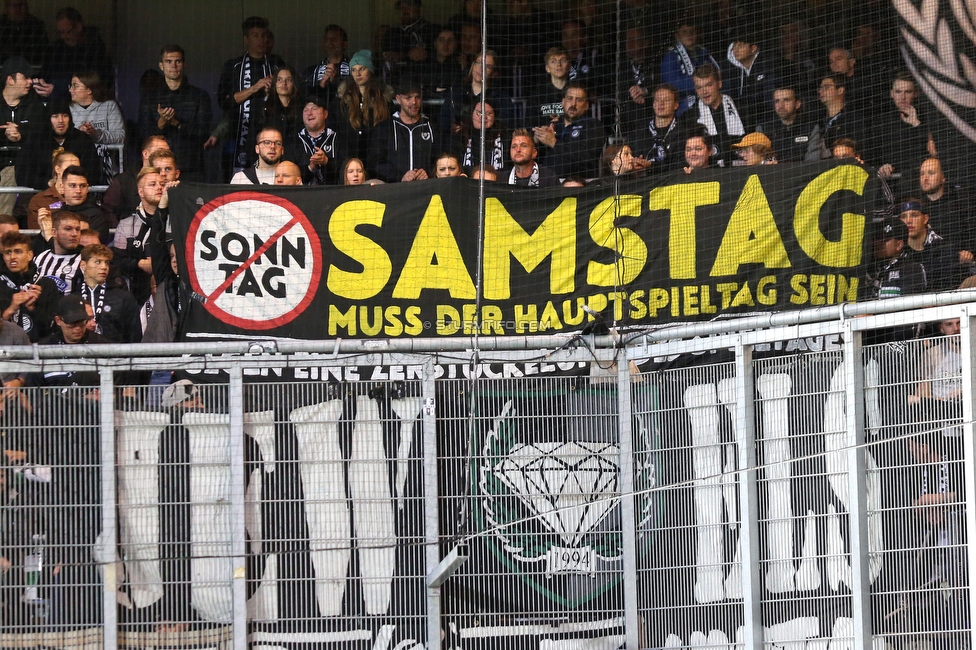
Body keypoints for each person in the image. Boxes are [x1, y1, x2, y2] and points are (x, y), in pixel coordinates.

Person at [138, 45, 212, 182]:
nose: (174, 66)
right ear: (161, 65)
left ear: (184, 64)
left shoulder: (199, 96)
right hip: (157, 170)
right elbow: (143, 135)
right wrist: (161, 122)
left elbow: (204, 133)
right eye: (168, 61)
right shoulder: (150, 97)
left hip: (191, 168)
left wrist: (176, 123)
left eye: (178, 61)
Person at [218, 16, 280, 173]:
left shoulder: (277, 64)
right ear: (246, 39)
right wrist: (254, 88)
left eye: (264, 35)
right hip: (237, 138)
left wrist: (272, 93)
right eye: (255, 35)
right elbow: (223, 102)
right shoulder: (233, 66)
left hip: (269, 137)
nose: (261, 40)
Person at [16, 98, 99, 190]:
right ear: (48, 118)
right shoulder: (35, 140)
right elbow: (21, 175)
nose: (61, 120)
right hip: (42, 194)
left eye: (65, 116)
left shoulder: (83, 139)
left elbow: (94, 173)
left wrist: (71, 183)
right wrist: (48, 183)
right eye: (55, 116)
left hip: (77, 194)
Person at [873, 72, 933, 193]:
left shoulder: (927, 117)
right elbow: (874, 155)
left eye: (908, 92)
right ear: (892, 94)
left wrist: (916, 123)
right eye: (898, 92)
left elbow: (930, 150)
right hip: (890, 184)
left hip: (920, 182)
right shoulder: (881, 122)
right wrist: (882, 166)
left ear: (916, 93)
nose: (903, 97)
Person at [112, 167, 164, 304]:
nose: (159, 187)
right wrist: (140, 263)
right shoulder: (126, 224)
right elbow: (116, 259)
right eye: (152, 184)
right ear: (140, 191)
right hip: (136, 293)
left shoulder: (175, 221)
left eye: (162, 184)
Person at [0, 55, 45, 214]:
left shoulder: (36, 105)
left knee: (11, 173)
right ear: (10, 80)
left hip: (29, 167)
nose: (30, 82)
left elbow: (43, 135)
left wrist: (21, 135)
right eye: (25, 77)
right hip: (2, 164)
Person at [332, 50, 392, 167]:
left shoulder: (384, 100)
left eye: (362, 69)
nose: (357, 74)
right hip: (349, 164)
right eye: (354, 70)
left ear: (370, 70)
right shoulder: (341, 102)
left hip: (377, 164)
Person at [532, 82, 604, 179]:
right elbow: (538, 157)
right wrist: (537, 140)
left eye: (579, 100)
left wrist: (554, 142)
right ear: (563, 102)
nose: (573, 104)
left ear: (586, 105)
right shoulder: (554, 125)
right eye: (570, 99)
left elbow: (587, 157)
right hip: (548, 184)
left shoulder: (593, 125)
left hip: (580, 184)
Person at [680, 63, 745, 167]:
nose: (704, 91)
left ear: (719, 83)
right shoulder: (689, 117)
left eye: (709, 85)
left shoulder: (741, 108)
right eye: (699, 87)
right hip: (709, 173)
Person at [370, 82, 437, 183]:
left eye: (417, 97)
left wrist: (428, 172)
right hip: (394, 191)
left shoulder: (433, 127)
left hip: (426, 189)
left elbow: (440, 159)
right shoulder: (384, 128)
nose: (414, 102)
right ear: (398, 99)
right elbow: (375, 162)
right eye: (408, 97)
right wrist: (400, 176)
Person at [41, 7, 113, 100]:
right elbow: (46, 72)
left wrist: (58, 88)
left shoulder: (96, 50)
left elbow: (94, 82)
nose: (64, 36)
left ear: (79, 27)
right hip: (58, 104)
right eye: (60, 32)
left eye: (67, 32)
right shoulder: (56, 49)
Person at [0, 230, 58, 341]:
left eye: (18, 252)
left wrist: (34, 308)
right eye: (8, 252)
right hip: (5, 350)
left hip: (41, 350)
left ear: (30, 255)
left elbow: (55, 327)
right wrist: (11, 309)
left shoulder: (46, 284)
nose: (12, 257)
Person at [76, 243, 140, 343]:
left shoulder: (124, 298)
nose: (104, 267)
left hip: (116, 356)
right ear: (83, 265)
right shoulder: (73, 298)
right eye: (98, 262)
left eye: (107, 263)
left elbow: (134, 337)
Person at [67, 70, 124, 180]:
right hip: (75, 171)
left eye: (75, 86)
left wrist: (95, 133)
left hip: (107, 171)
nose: (70, 90)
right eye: (71, 86)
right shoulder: (67, 110)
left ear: (89, 89)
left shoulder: (109, 107)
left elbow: (120, 136)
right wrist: (79, 133)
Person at [440, 50, 511, 136]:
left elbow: (505, 125)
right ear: (473, 65)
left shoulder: (501, 97)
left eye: (487, 66)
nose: (481, 69)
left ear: (494, 73)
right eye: (478, 63)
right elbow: (444, 122)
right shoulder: (456, 93)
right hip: (458, 143)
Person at [101, 135, 167, 225]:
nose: (165, 156)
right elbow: (107, 210)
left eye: (167, 152)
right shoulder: (123, 180)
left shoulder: (169, 179)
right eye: (160, 151)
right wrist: (123, 230)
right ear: (145, 154)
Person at [899, 198, 960, 291]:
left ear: (925, 219)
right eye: (903, 217)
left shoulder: (942, 248)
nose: (908, 221)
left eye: (914, 215)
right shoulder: (897, 250)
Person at [720, 33, 778, 129]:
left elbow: (769, 100)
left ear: (753, 48)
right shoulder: (732, 70)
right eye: (734, 46)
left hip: (767, 120)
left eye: (741, 46)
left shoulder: (767, 65)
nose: (736, 50)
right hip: (743, 121)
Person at [660, 19, 718, 116]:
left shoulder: (703, 52)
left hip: (709, 103)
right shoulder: (671, 56)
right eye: (684, 32)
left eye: (692, 31)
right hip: (685, 108)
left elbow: (717, 74)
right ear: (677, 35)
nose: (689, 34)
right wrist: (702, 83)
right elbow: (672, 84)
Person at [757, 85, 825, 162]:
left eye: (786, 100)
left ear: (797, 104)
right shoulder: (763, 129)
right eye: (777, 101)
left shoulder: (811, 128)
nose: (781, 106)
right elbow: (759, 160)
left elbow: (812, 162)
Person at [869, 217, 926, 300]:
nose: (877, 243)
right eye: (877, 239)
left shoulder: (912, 269)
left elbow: (910, 304)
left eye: (885, 240)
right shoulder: (870, 268)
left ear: (899, 245)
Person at [629, 84, 683, 170]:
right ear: (653, 104)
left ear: (676, 105)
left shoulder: (683, 132)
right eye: (657, 100)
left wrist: (651, 165)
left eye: (667, 100)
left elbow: (680, 165)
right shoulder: (640, 132)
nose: (661, 103)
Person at [382, 0, 441, 79]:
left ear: (419, 9)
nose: (404, 10)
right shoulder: (391, 33)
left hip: (425, 79)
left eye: (409, 7)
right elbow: (384, 55)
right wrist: (406, 55)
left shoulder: (433, 30)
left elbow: (437, 56)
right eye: (401, 8)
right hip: (395, 79)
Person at [292, 96, 342, 185]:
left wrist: (326, 161)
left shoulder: (338, 139)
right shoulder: (293, 141)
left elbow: (346, 171)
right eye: (305, 110)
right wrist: (310, 168)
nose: (309, 113)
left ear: (325, 114)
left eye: (314, 109)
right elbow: (289, 174)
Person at [25, 150, 78, 229]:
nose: (76, 172)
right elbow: (35, 231)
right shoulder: (39, 200)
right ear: (57, 169)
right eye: (70, 167)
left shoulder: (83, 197)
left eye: (78, 168)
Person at [818, 73, 864, 157]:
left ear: (840, 90)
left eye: (826, 87)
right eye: (820, 88)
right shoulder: (819, 121)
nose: (820, 91)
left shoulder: (854, 119)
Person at [32, 209, 81, 287]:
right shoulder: (39, 258)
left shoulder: (84, 261)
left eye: (78, 229)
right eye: (68, 229)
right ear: (54, 232)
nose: (75, 234)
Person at [457, 100, 506, 175]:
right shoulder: (460, 137)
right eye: (479, 113)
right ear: (472, 114)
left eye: (488, 113)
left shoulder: (505, 136)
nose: (483, 117)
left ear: (495, 116)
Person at [414, 27, 463, 98]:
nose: (446, 44)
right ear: (435, 43)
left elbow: (458, 90)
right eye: (441, 40)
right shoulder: (423, 64)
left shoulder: (459, 65)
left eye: (450, 40)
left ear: (456, 45)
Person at [259, 65, 303, 144]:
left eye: (289, 80)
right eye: (279, 79)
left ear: (294, 83)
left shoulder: (302, 108)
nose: (284, 83)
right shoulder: (265, 108)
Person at [304, 24, 350, 96]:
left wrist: (338, 82)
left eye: (334, 39)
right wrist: (322, 84)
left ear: (345, 44)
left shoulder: (355, 69)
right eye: (326, 39)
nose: (329, 42)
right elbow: (307, 99)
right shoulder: (310, 72)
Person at [529, 48, 571, 125]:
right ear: (547, 68)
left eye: (563, 60)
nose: (558, 65)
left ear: (569, 66)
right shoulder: (538, 93)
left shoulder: (575, 91)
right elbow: (532, 122)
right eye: (553, 61)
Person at [0, 0, 47, 64]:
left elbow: (42, 53)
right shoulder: (1, 25)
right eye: (14, 5)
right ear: (6, 8)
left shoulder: (37, 25)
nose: (18, 9)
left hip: (32, 69)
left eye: (21, 4)